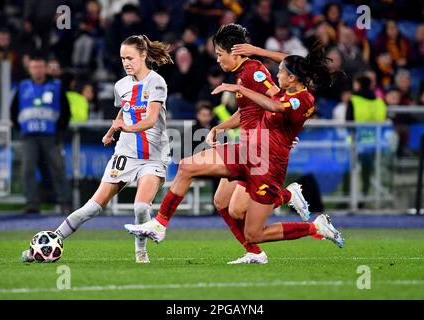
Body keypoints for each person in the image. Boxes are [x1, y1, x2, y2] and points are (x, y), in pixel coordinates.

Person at [125, 40, 344, 255]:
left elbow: (274, 106)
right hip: (247, 150)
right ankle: (159, 225)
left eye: (280, 72)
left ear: (292, 78)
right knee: (188, 167)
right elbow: (288, 65)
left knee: (253, 232)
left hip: (267, 164)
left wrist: (240, 88)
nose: (276, 75)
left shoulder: (302, 99)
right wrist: (257, 49)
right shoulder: (285, 89)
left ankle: (313, 226)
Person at [22, 35, 173, 263]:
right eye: (123, 58)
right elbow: (125, 109)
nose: (126, 63)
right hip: (126, 153)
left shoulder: (157, 82)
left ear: (143, 55)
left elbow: (151, 119)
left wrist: (126, 127)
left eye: (130, 57)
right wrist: (113, 130)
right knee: (91, 208)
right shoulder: (120, 85)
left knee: (141, 207)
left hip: (153, 156)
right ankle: (46, 244)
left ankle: (141, 254)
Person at [205, 24, 311, 264]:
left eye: (220, 54)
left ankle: (286, 196)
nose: (218, 59)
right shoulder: (242, 73)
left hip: (260, 150)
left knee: (237, 210)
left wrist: (282, 133)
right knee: (221, 202)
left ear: (236, 52)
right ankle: (254, 252)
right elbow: (248, 112)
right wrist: (218, 128)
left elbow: (277, 98)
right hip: (246, 145)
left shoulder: (254, 71)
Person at [10, 55, 71, 214]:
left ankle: (65, 203)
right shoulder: (22, 86)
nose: (37, 70)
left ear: (45, 68)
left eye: (40, 67)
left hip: (51, 137)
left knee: (58, 168)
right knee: (28, 170)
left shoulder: (56, 86)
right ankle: (32, 203)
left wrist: (59, 132)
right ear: (29, 69)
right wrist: (22, 129)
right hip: (28, 137)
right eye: (34, 67)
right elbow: (13, 111)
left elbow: (65, 111)